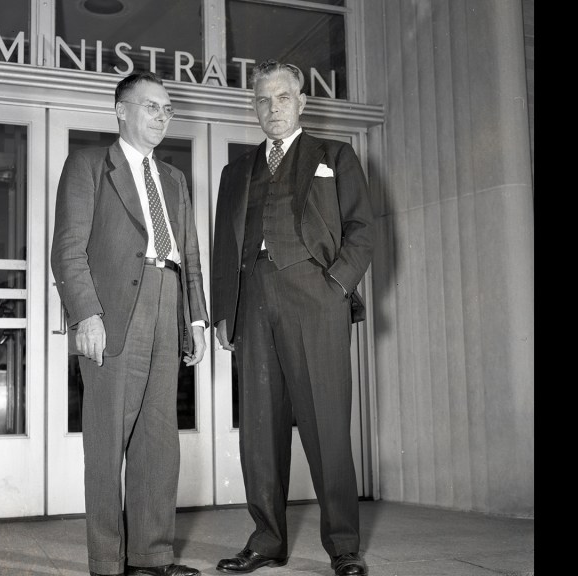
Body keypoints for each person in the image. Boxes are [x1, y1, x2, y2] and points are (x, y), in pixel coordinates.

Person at [210, 60, 375, 576]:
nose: (273, 108)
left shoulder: (335, 156)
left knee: (327, 427)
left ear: (301, 102)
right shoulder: (236, 171)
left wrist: (335, 286)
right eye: (263, 100)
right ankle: (267, 541)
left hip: (315, 295)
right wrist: (225, 312)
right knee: (259, 429)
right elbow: (223, 246)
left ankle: (343, 545)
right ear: (254, 106)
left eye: (283, 98)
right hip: (253, 300)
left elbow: (362, 228)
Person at [51, 71, 209, 576]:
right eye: (151, 106)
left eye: (167, 109)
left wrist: (197, 318)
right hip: (115, 311)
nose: (162, 117)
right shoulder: (89, 165)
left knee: (159, 441)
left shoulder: (175, 179)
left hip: (168, 300)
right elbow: (68, 250)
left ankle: (151, 557)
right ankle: (106, 562)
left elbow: (190, 255)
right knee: (106, 443)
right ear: (121, 111)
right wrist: (86, 314)